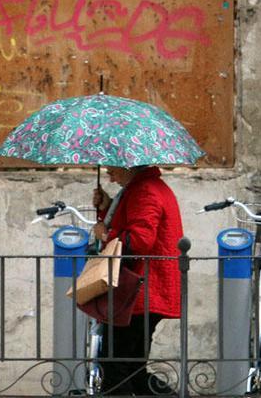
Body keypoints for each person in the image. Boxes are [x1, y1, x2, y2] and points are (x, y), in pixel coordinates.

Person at [92, 165, 182, 395]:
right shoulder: (143, 188)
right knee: (132, 370)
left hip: (138, 293)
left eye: (112, 168)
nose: (109, 175)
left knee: (115, 367)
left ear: (127, 166)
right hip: (143, 291)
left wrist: (104, 235)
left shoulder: (145, 191)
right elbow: (129, 223)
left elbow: (140, 241)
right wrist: (106, 207)